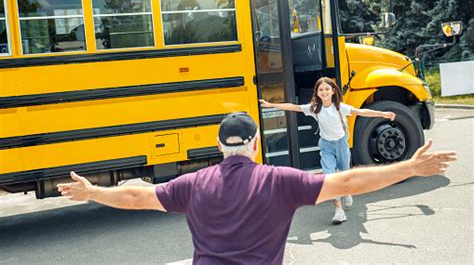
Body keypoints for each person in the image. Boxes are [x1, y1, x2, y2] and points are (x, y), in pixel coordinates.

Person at [57, 112, 456, 265]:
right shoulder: (280, 181)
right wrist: (411, 167)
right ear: (256, 144)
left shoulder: (193, 184)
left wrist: (93, 192)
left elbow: (136, 195)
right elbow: (348, 181)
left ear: (218, 146)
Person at [259, 77, 396, 224]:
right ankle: (339, 211)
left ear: (333, 91)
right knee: (329, 178)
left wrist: (383, 114)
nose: (324, 92)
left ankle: (347, 192)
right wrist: (270, 104)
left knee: (345, 173)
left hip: (341, 144)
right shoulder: (315, 108)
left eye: (326, 89)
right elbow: (294, 107)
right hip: (326, 145)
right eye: (320, 90)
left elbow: (361, 112)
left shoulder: (340, 107)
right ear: (317, 93)